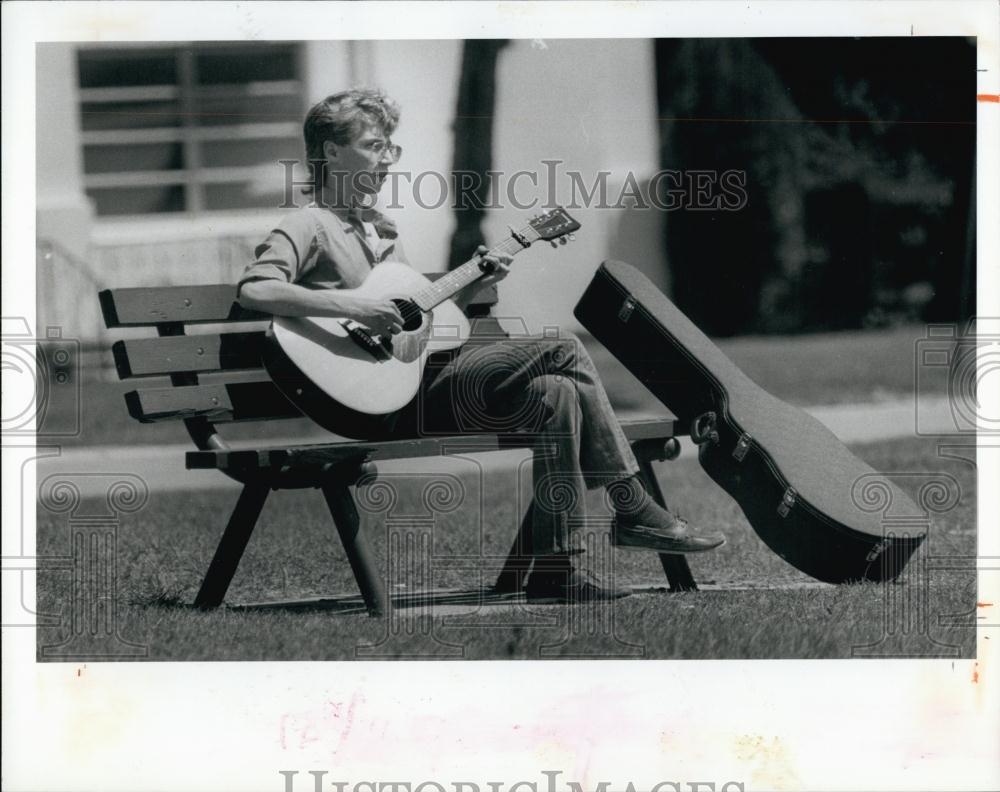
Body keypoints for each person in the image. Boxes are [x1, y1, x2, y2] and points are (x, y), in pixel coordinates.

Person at [237, 88, 725, 603]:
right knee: (561, 347)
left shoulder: (379, 230)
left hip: (412, 383)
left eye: (390, 149)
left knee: (556, 392)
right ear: (332, 152)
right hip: (372, 402)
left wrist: (470, 285)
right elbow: (255, 290)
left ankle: (556, 567)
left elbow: (417, 326)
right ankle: (632, 506)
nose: (386, 160)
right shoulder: (308, 224)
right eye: (376, 146)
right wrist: (359, 309)